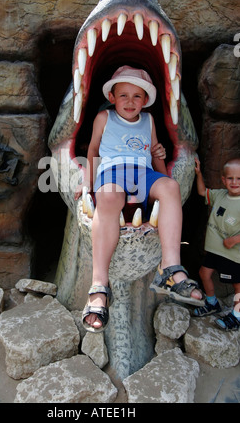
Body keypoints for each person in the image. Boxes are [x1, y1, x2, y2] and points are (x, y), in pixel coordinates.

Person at [75, 65, 204, 333]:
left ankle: (170, 267)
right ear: (112, 97)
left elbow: (156, 163)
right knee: (108, 196)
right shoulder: (104, 117)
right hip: (112, 171)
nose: (130, 102)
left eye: (137, 96)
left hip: (142, 172)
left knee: (170, 186)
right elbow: (93, 149)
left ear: (145, 101)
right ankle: (99, 284)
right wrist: (87, 183)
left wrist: (158, 154)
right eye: (124, 95)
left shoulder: (149, 121)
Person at [193, 157, 240, 330]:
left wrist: (234, 240)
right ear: (223, 180)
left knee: (239, 285)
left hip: (234, 253)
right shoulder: (220, 195)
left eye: (239, 178)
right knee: (204, 273)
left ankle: (237, 316)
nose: (234, 182)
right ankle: (212, 303)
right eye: (230, 178)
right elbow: (202, 192)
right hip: (215, 251)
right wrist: (198, 173)